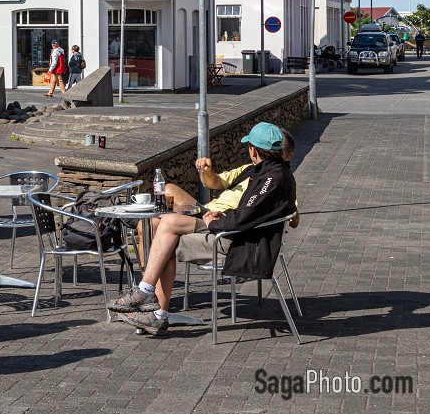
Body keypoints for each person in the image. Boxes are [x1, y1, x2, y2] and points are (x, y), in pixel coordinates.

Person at [108, 122, 297, 335]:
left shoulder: (273, 179)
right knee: (166, 223)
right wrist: (221, 216)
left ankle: (155, 309)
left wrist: (214, 223)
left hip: (235, 242)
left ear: (253, 150)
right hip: (229, 228)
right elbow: (248, 210)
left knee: (163, 239)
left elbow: (246, 215)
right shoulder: (267, 172)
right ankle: (147, 295)